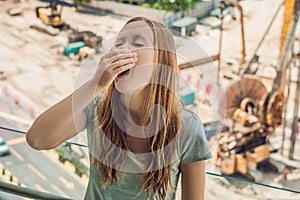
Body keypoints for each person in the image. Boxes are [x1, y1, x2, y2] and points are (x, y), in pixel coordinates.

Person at [26, 16, 212, 200]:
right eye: (118, 43)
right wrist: (95, 85)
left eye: (138, 43)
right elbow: (37, 139)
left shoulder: (186, 127)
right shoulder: (96, 108)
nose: (122, 50)